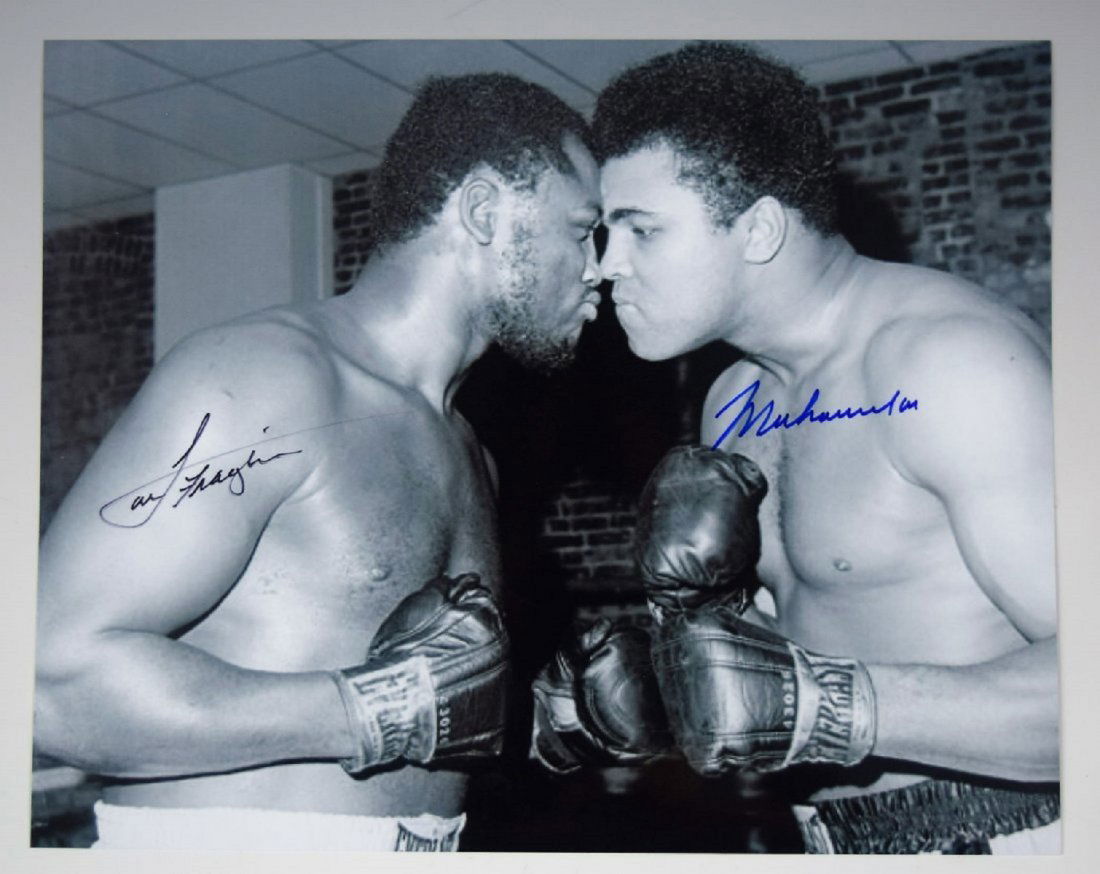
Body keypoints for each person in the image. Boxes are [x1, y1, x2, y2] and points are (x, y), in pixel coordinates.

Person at [33, 72, 603, 851]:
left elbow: (420, 705)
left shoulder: (468, 448)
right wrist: (372, 709)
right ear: (483, 212)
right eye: (582, 230)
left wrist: (537, 720)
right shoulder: (264, 379)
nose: (600, 267)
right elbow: (49, 683)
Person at [584, 42, 1059, 854]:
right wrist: (676, 682)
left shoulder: (950, 361)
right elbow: (785, 654)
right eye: (604, 232)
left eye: (641, 232)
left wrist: (828, 705)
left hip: (1009, 833)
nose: (604, 267)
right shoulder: (734, 401)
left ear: (760, 229)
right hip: (819, 836)